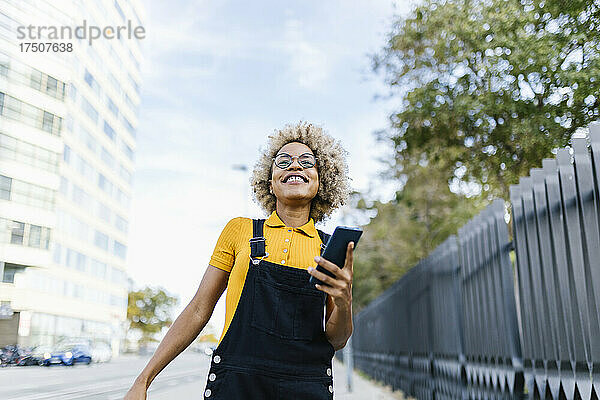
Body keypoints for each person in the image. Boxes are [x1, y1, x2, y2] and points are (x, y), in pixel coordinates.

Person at [124, 122, 354, 399]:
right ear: (270, 182)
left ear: (321, 181)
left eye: (307, 162)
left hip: (305, 386)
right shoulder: (239, 231)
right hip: (236, 384)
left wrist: (344, 302)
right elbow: (199, 309)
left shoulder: (332, 249)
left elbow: (337, 340)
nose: (295, 166)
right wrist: (144, 380)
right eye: (283, 161)